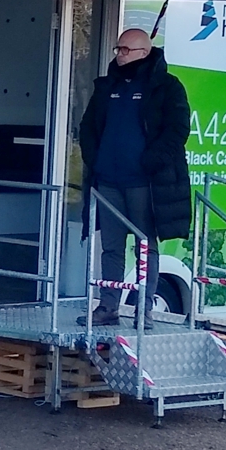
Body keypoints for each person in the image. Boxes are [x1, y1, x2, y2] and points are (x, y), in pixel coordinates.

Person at [76, 28, 192, 327]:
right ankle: (108, 306)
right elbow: (88, 126)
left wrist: (151, 161)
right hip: (108, 182)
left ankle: (144, 310)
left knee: (145, 246)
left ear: (144, 52)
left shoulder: (167, 86)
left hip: (144, 183)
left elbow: (178, 129)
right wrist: (94, 159)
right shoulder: (107, 86)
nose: (120, 54)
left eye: (126, 50)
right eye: (118, 49)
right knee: (111, 248)